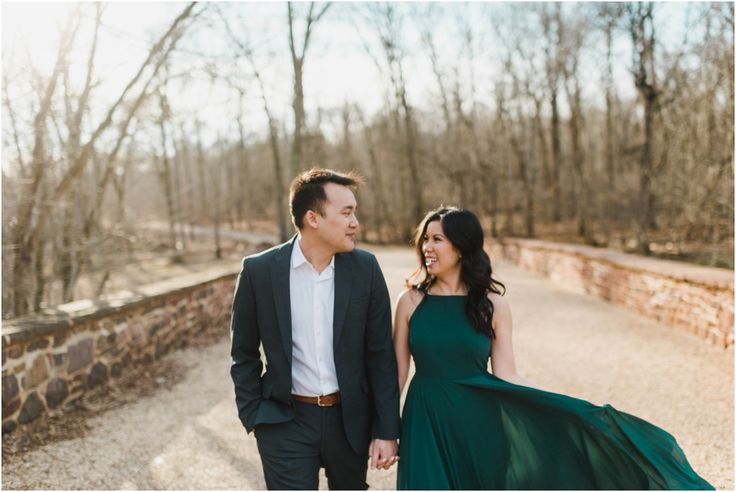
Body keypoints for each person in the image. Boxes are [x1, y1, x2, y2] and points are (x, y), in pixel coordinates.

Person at [393, 206, 714, 490]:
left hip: (478, 421)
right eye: (425, 239)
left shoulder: (492, 306)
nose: (427, 247)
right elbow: (397, 375)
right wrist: (386, 431)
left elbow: (506, 374)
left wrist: (565, 407)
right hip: (424, 419)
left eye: (437, 239)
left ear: (461, 248)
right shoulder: (410, 302)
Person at [230, 168, 400, 490]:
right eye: (346, 213)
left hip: (350, 422)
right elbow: (243, 352)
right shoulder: (259, 272)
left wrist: (386, 430)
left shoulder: (366, 269)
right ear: (313, 218)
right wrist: (254, 415)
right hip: (284, 421)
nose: (355, 223)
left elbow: (380, 356)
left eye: (355, 213)